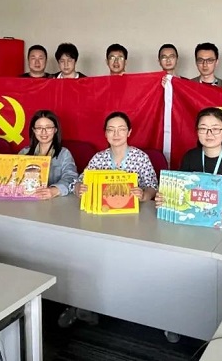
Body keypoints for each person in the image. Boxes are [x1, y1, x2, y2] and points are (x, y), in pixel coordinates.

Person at [61, 111, 158, 328]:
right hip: (101, 222)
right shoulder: (99, 158)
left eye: (121, 129)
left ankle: (127, 307)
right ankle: (85, 304)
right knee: (89, 258)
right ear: (105, 134)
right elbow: (79, 182)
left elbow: (153, 186)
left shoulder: (140, 157)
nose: (116, 134)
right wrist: (79, 188)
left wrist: (144, 195)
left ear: (129, 132)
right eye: (111, 130)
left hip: (133, 222)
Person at [155, 107, 222, 220]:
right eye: (203, 128)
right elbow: (181, 191)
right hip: (192, 217)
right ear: (197, 131)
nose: (209, 134)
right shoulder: (190, 157)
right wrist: (166, 197)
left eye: (215, 129)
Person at [17, 110, 77, 199]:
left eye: (48, 127)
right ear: (33, 130)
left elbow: (71, 177)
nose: (43, 132)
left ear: (55, 130)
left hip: (55, 201)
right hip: (26, 200)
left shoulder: (64, 153)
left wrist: (55, 190)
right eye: (39, 128)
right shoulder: (24, 153)